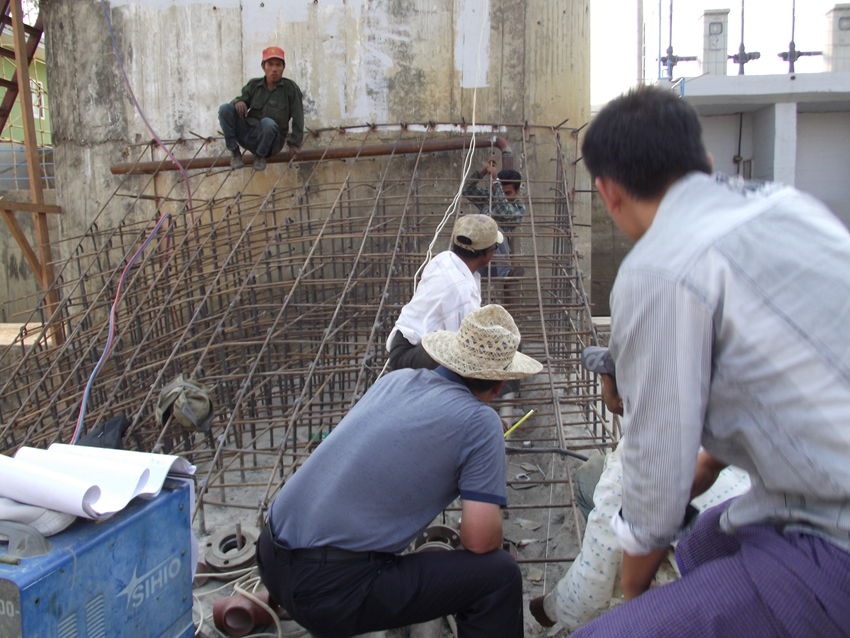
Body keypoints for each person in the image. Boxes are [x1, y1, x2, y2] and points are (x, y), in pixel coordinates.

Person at [568, 85, 850, 637]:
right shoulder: (792, 207)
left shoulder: (656, 270)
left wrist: (635, 601)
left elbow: (652, 487)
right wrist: (713, 461)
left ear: (607, 192)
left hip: (831, 537)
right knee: (706, 540)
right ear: (707, 164)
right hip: (801, 490)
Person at [256, 305, 542, 638]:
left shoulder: (398, 380)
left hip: (270, 556)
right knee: (499, 574)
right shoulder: (481, 422)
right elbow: (479, 541)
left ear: (450, 357)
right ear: (499, 384)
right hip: (328, 593)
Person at [529, 347, 750, 632]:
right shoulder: (715, 421)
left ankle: (652, 573)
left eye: (605, 377)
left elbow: (587, 592)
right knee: (592, 474)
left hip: (720, 595)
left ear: (622, 398)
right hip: (754, 555)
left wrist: (548, 607)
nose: (601, 382)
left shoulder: (632, 466)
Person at [386, 214, 502, 371]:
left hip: (402, 344)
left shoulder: (444, 259)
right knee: (489, 352)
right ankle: (495, 393)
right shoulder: (463, 293)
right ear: (488, 253)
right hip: (408, 357)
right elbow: (466, 346)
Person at [218, 46, 304, 171]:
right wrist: (238, 102)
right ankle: (234, 152)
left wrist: (295, 144)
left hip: (271, 141)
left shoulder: (290, 89)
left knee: (267, 123)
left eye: (278, 65)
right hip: (250, 134)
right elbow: (236, 106)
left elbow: (298, 117)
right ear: (263, 66)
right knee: (225, 109)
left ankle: (260, 156)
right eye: (270, 64)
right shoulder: (254, 85)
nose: (274, 69)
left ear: (283, 68)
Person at [462, 157, 525, 277]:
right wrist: (484, 170)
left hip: (495, 260)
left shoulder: (519, 208)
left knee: (495, 230)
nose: (503, 196)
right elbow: (466, 189)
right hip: (478, 254)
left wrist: (496, 183)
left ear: (517, 191)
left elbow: (505, 211)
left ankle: (506, 274)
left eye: (507, 193)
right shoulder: (489, 198)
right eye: (501, 191)